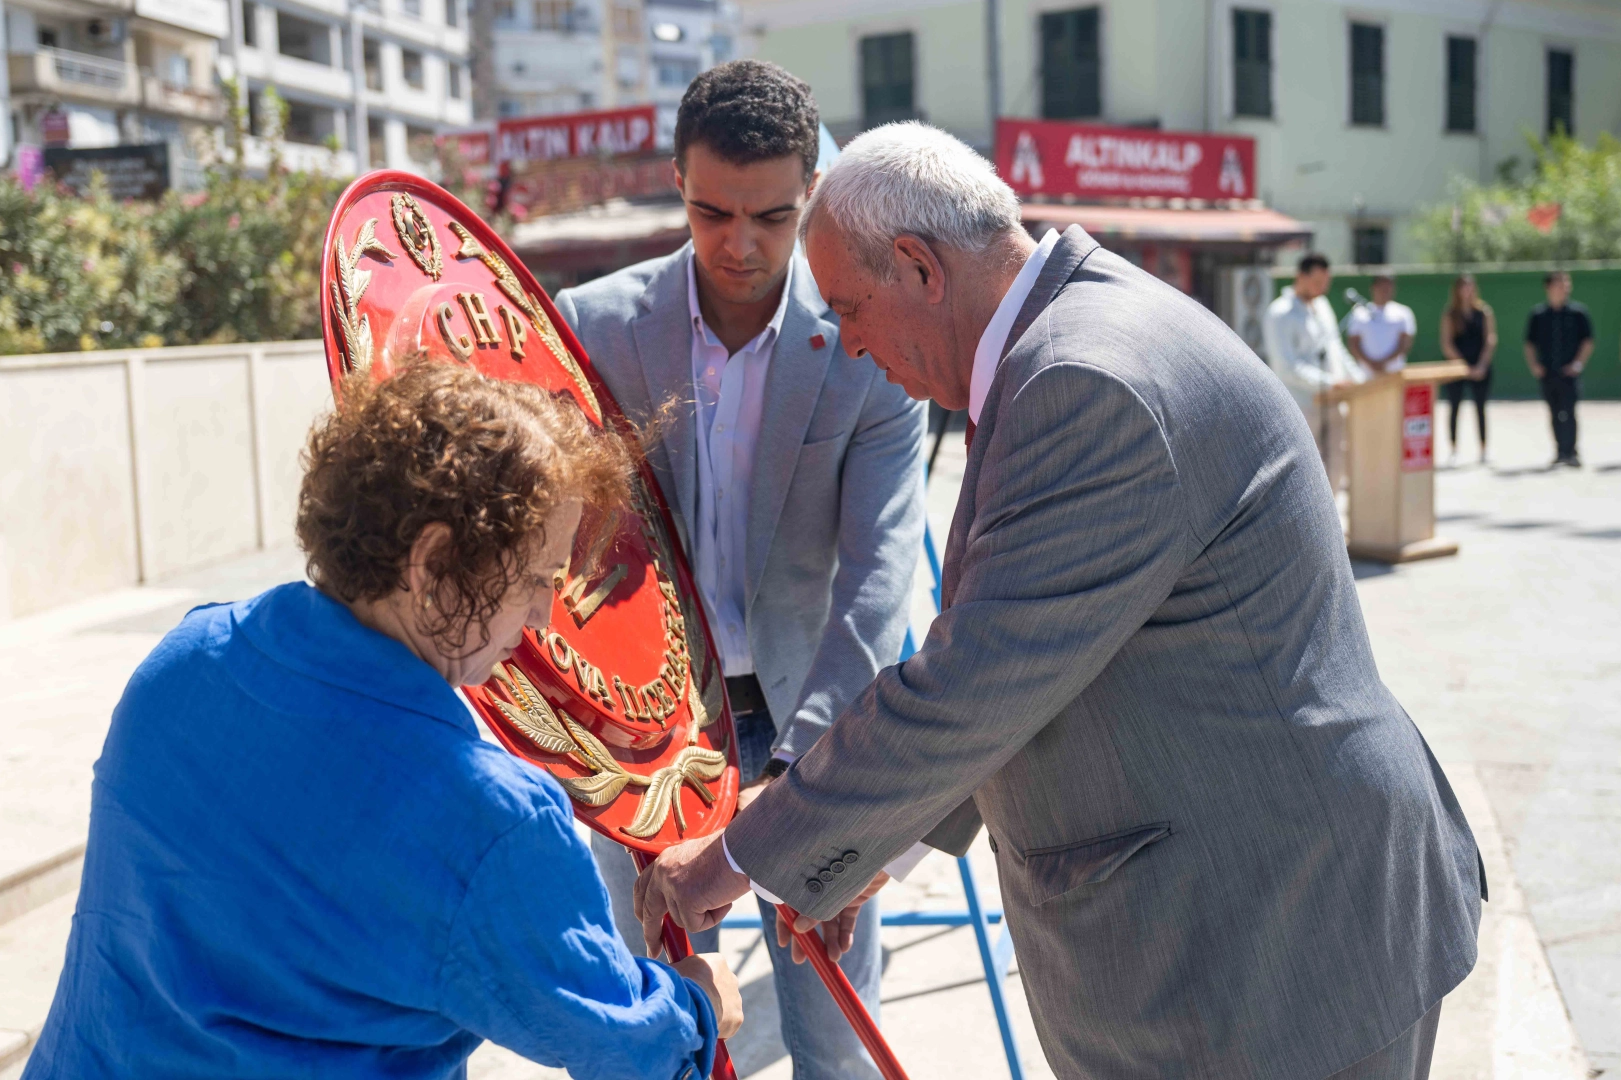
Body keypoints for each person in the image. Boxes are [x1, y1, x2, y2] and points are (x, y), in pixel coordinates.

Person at [635, 123, 1484, 1080]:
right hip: (1256, 916)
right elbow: (1040, 659)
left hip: (1275, 946)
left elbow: (973, 684)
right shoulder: (1069, 339)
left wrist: (739, 856)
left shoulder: (1083, 380)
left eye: (848, 308)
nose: (849, 344)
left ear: (918, 267)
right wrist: (869, 843)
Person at [23, 364, 741, 1080]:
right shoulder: (489, 820)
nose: (541, 618)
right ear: (431, 562)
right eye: (533, 579)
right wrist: (699, 1004)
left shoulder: (183, 659)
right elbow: (627, 1050)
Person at [554, 60, 926, 1080]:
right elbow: (562, 550)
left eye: (771, 216)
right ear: (676, 181)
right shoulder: (591, 328)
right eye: (711, 212)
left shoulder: (865, 341)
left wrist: (804, 771)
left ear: (813, 191)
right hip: (645, 730)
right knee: (659, 1027)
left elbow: (877, 580)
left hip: (815, 714)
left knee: (835, 1035)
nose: (740, 244)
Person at [1262, 252, 1363, 491]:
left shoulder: (1322, 306)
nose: (1322, 288)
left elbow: (1335, 347)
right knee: (1305, 469)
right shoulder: (1279, 313)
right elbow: (1286, 367)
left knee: (1336, 462)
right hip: (1303, 405)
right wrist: (1329, 382)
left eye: (1325, 282)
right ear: (1301, 276)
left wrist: (1358, 379)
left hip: (1334, 401)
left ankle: (1332, 512)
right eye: (1317, 282)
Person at [1524, 270, 1593, 467]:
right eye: (1560, 283)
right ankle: (1560, 451)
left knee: (1569, 411)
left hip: (1569, 373)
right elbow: (1529, 343)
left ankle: (1572, 451)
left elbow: (1587, 341)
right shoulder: (1538, 315)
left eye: (1567, 283)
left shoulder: (1578, 313)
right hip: (1548, 372)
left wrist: (1577, 364)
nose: (1565, 287)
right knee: (1554, 412)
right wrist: (1534, 365)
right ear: (1548, 287)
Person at [1439, 274, 1498, 466]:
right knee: (1454, 407)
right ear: (1456, 290)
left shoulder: (1484, 311)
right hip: (1456, 368)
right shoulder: (1450, 314)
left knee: (1480, 408)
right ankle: (1454, 450)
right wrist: (1463, 367)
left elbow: (1490, 339)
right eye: (1463, 286)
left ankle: (1483, 449)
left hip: (1480, 367)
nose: (1467, 290)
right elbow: (1447, 344)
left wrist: (1481, 365)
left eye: (1470, 286)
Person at [1347, 273, 1416, 376]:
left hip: (1394, 374)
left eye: (1389, 287)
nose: (1385, 291)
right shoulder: (1359, 313)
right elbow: (1353, 344)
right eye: (1382, 287)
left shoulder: (1404, 313)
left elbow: (1405, 343)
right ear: (1373, 288)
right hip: (1365, 376)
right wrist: (1371, 364)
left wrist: (1384, 363)